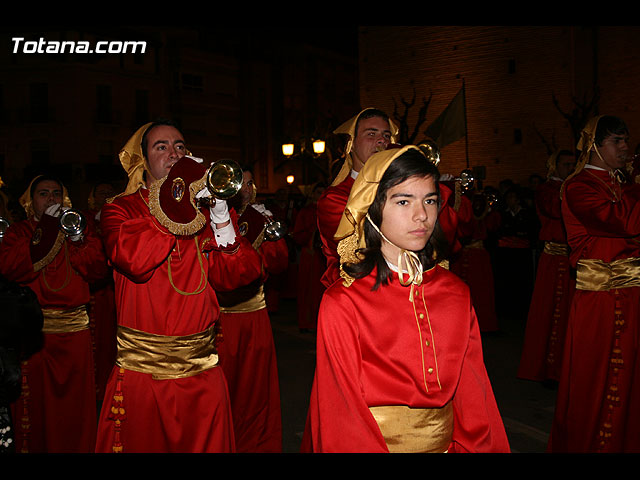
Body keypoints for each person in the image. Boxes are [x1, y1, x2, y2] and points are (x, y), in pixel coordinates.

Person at [302, 145, 510, 453]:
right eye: (403, 201)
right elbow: (341, 413)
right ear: (372, 209)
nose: (422, 215)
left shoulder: (455, 292)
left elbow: (474, 398)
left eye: (430, 200)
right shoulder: (344, 301)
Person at [94, 120, 264, 453]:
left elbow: (239, 276)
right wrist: (177, 200)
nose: (173, 154)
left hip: (203, 371)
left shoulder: (203, 211)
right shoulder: (119, 209)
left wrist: (220, 216)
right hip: (144, 374)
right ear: (143, 160)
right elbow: (134, 261)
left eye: (180, 147)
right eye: (162, 147)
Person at [548, 115, 640, 453]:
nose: (626, 148)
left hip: (630, 294)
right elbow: (624, 222)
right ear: (594, 147)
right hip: (600, 299)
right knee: (597, 380)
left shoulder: (621, 182)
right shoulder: (578, 186)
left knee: (631, 378)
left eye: (626, 141)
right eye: (618, 141)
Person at [0, 174, 109, 452]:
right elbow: (11, 268)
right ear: (30, 200)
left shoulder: (79, 230)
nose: (51, 199)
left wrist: (79, 239)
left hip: (74, 336)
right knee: (35, 409)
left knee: (74, 410)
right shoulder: (19, 232)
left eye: (56, 194)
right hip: (35, 340)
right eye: (43, 194)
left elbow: (97, 270)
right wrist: (46, 230)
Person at [216, 164, 287, 453]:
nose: (244, 189)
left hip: (254, 315)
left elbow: (278, 264)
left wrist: (273, 239)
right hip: (220, 318)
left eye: (249, 183)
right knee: (223, 387)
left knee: (256, 391)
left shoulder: (262, 219)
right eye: (239, 183)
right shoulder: (213, 216)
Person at [316, 108, 397, 289]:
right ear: (351, 144)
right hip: (355, 292)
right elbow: (363, 247)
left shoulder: (402, 187)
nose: (381, 141)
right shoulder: (334, 198)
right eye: (371, 134)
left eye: (386, 135)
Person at [517, 150, 576, 383]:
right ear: (554, 166)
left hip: (572, 258)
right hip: (554, 259)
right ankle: (548, 368)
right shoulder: (547, 189)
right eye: (566, 164)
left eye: (574, 164)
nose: (570, 168)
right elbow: (554, 209)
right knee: (551, 312)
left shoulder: (570, 186)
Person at [85, 181, 118, 402]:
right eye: (101, 192)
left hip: (113, 290)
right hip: (94, 291)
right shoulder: (85, 219)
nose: (105, 196)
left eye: (109, 192)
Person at [291, 182, 327, 332]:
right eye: (318, 192)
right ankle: (307, 323)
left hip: (324, 257)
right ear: (313, 194)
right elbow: (298, 235)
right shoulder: (306, 212)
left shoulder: (328, 211)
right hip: (310, 255)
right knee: (308, 290)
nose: (321, 195)